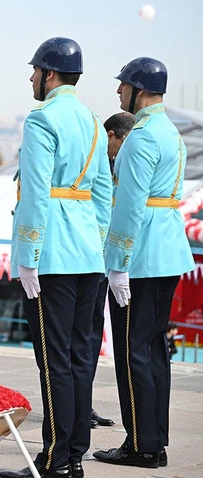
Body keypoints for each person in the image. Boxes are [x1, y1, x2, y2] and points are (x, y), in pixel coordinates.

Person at [0, 37, 112, 478]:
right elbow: (103, 195)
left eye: (35, 70)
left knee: (54, 360)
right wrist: (96, 242)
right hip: (86, 253)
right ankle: (75, 457)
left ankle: (54, 460)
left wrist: (27, 254)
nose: (31, 77)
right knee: (80, 357)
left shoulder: (41, 119)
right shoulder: (92, 119)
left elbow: (35, 196)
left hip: (54, 256)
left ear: (50, 74)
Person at [94, 57, 194, 470]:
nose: (118, 92)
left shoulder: (141, 137)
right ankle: (155, 439)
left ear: (138, 89)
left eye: (123, 86)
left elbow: (130, 206)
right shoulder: (172, 133)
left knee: (133, 351)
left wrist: (117, 263)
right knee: (154, 351)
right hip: (168, 249)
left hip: (141, 256)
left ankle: (139, 445)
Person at [90, 111, 135, 430]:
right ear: (111, 136)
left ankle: (83, 403)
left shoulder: (120, 166)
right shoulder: (97, 165)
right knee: (80, 334)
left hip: (108, 259)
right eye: (123, 143)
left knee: (92, 333)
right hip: (89, 256)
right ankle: (79, 403)